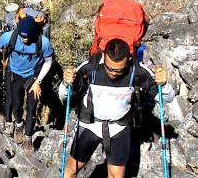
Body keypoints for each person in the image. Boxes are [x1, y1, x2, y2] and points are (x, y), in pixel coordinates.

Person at [59, 38, 175, 178]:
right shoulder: (90, 67)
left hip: (119, 128)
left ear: (128, 60)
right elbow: (65, 95)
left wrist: (163, 84)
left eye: (119, 70)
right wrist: (66, 83)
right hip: (90, 124)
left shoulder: (137, 71)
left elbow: (167, 98)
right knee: (71, 169)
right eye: (110, 68)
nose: (114, 73)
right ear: (103, 56)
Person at [0, 16, 54, 155]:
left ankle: (28, 138)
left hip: (33, 76)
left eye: (27, 37)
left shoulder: (43, 42)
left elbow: (48, 61)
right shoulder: (10, 36)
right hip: (15, 74)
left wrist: (38, 81)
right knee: (17, 104)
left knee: (32, 107)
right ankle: (19, 124)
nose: (24, 39)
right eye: (22, 36)